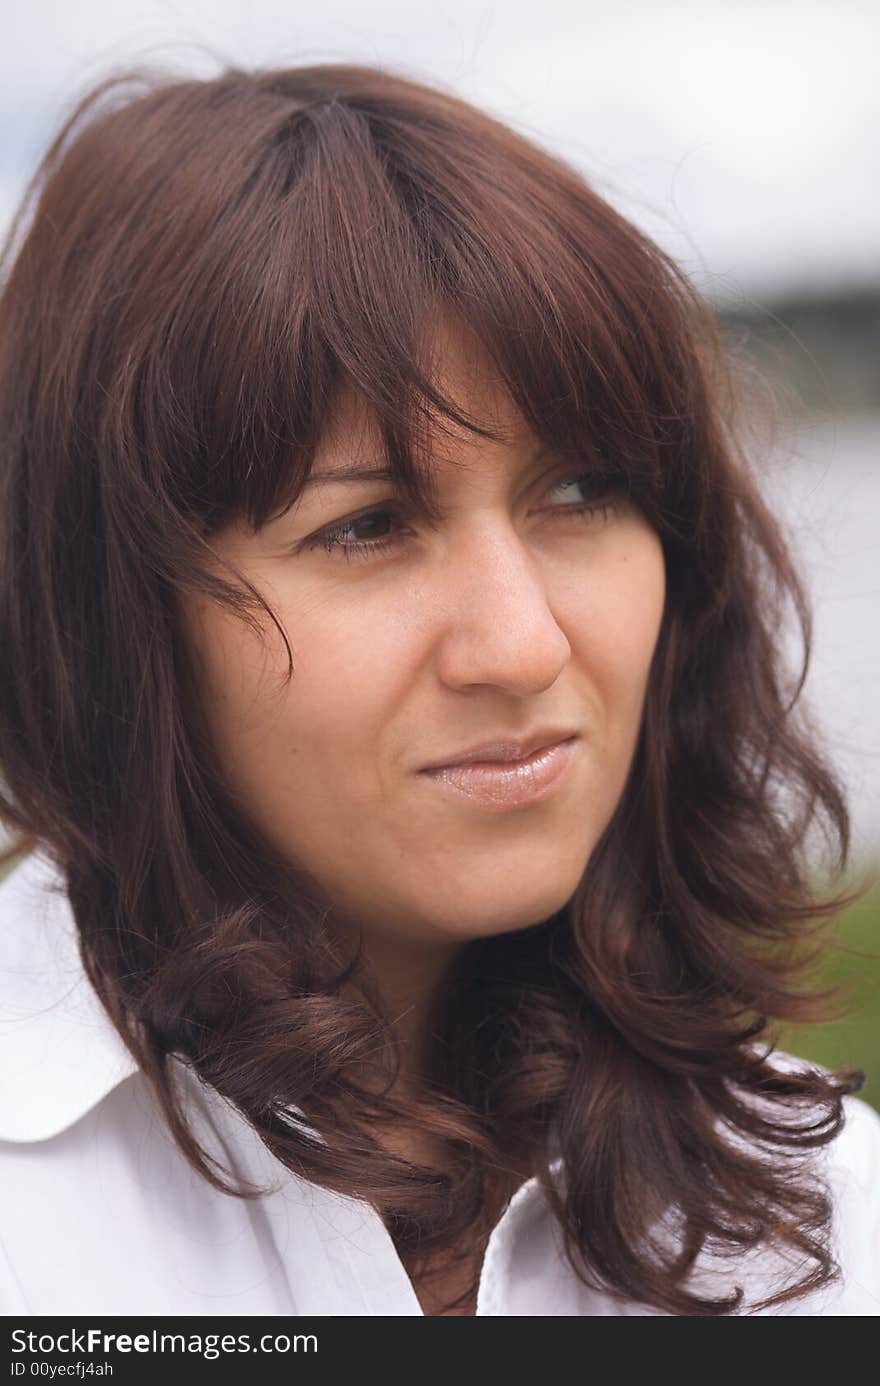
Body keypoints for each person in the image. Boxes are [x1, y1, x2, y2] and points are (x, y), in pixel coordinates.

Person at [0, 60, 877, 1319]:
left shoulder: (817, 1203)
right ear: (106, 619)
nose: (521, 648)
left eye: (580, 493)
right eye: (365, 527)